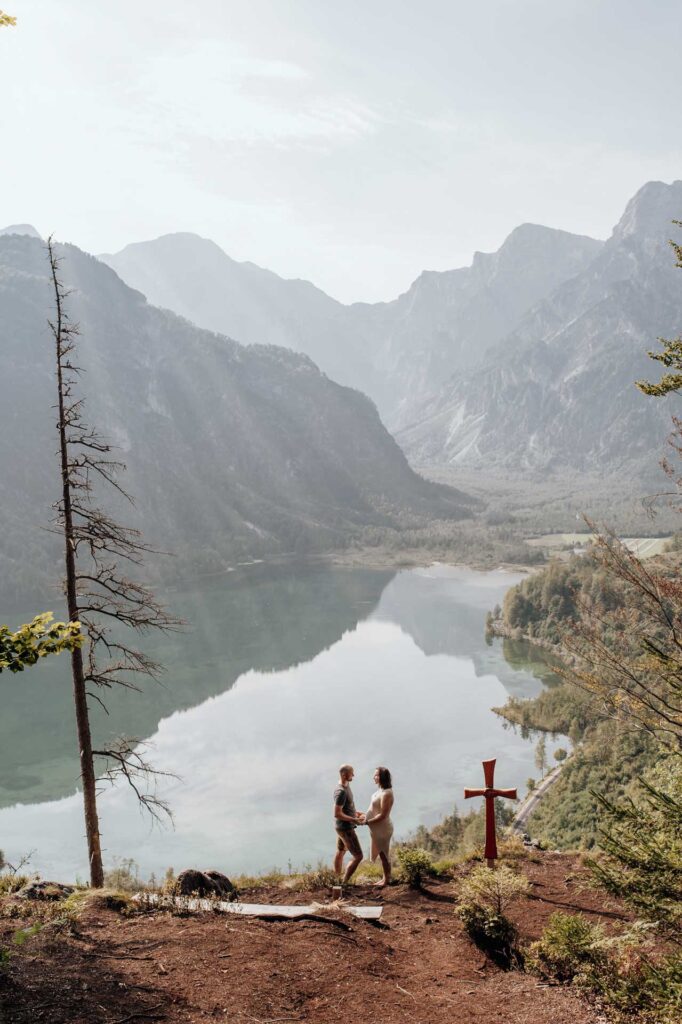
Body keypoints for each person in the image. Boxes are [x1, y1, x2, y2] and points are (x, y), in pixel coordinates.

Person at [333, 763, 365, 885]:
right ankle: (344, 882)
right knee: (358, 856)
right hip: (345, 828)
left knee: (341, 851)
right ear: (344, 775)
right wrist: (354, 819)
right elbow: (337, 813)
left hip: (342, 826)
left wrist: (355, 813)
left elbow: (346, 806)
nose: (354, 775)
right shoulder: (340, 792)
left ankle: (336, 880)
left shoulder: (346, 785)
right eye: (351, 773)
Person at [365, 766, 394, 887]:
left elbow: (383, 815)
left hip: (382, 829)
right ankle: (384, 878)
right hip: (376, 828)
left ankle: (386, 880)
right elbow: (374, 810)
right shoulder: (380, 791)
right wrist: (363, 816)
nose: (374, 777)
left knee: (384, 855)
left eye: (376, 775)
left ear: (382, 777)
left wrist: (368, 822)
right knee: (382, 854)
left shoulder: (387, 793)